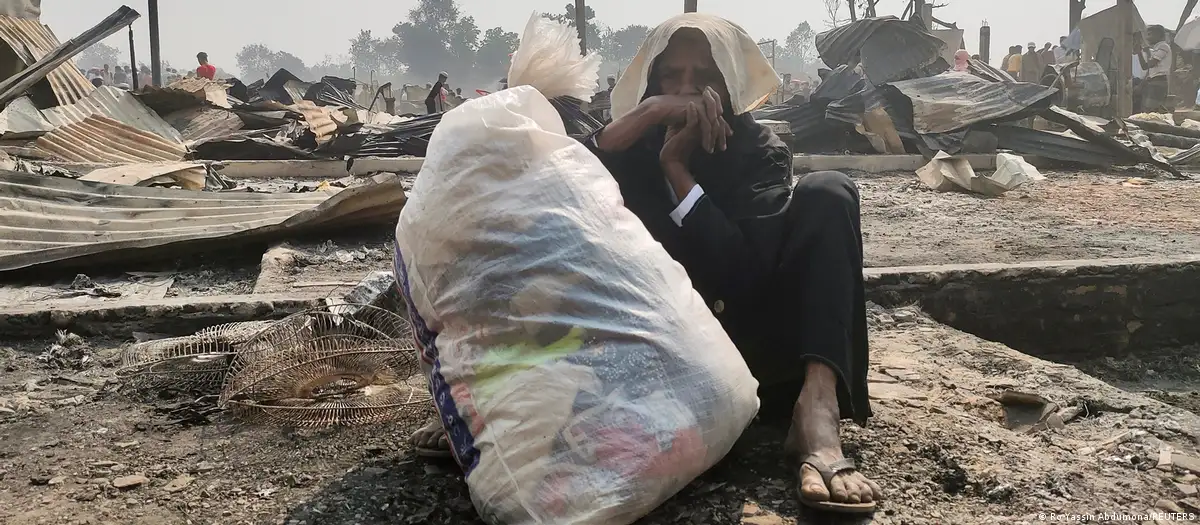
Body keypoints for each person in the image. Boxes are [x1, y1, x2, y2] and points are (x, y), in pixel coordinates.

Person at [407, 12, 881, 514]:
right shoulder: (632, 147)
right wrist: (648, 115)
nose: (687, 91)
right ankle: (487, 400)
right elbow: (550, 178)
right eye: (670, 77)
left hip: (744, 344)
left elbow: (742, 275)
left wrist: (678, 172)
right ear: (651, 86)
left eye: (705, 77)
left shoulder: (757, 150)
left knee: (829, 192)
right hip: (646, 350)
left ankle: (816, 414)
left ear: (730, 85)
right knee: (530, 220)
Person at [1138, 25, 1173, 113]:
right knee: (1149, 109)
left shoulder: (1163, 46)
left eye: (1150, 34)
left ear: (1159, 35)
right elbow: (1144, 66)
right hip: (1153, 80)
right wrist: (1139, 52)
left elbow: (1151, 64)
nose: (1148, 38)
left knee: (1153, 109)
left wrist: (1147, 53)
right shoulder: (1156, 48)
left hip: (1159, 80)